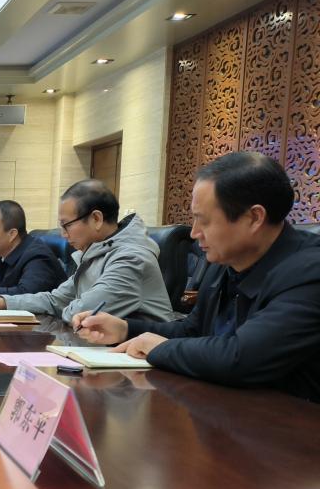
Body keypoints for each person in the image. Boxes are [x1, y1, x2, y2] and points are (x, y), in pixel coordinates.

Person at [75, 151, 320, 401]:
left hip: (292, 418)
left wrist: (160, 348)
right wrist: (126, 329)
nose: (194, 233)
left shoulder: (310, 272)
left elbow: (243, 358)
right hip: (227, 407)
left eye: (203, 221)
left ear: (254, 218)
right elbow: (193, 330)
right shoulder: (224, 260)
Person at [0, 180, 173, 323]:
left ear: (96, 219)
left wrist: (64, 307)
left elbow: (81, 312)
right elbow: (55, 300)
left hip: (140, 363)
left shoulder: (131, 258)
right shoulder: (94, 252)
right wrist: (3, 302)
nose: (63, 234)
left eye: (67, 225)